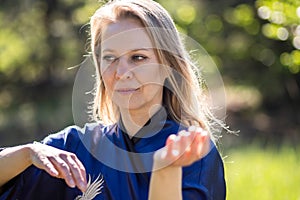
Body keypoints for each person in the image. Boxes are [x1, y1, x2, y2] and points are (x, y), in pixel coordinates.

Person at [0, 0, 226, 199]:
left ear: (167, 66)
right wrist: (27, 153)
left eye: (138, 58)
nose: (121, 72)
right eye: (110, 58)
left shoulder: (193, 153)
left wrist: (165, 170)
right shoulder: (74, 147)